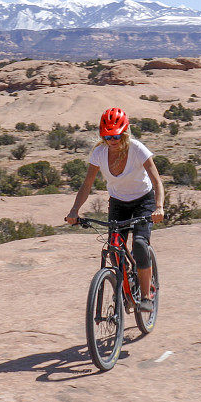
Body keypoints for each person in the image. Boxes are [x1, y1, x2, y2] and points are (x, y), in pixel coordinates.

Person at [65, 107, 164, 312]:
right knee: (114, 247)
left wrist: (159, 207)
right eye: (108, 136)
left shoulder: (137, 149)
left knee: (138, 244)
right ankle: (125, 283)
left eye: (118, 135)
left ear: (125, 132)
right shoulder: (99, 153)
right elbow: (87, 185)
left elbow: (156, 180)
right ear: (103, 136)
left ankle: (146, 295)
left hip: (143, 201)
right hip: (118, 203)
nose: (113, 140)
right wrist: (74, 210)